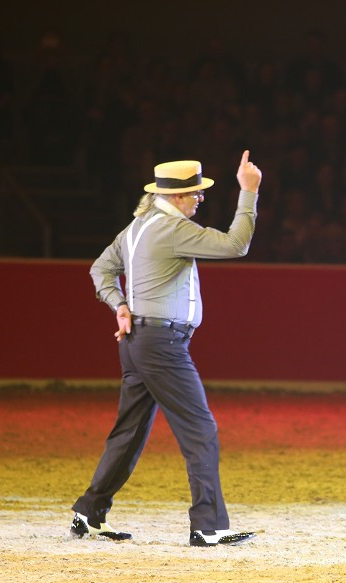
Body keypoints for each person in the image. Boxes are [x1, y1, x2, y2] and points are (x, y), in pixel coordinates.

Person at [71, 152, 263, 547]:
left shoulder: (137, 227)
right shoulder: (173, 230)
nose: (200, 200)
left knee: (129, 431)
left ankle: (89, 512)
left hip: (139, 342)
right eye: (196, 193)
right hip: (162, 345)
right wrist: (249, 193)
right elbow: (236, 244)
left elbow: (100, 269)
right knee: (200, 429)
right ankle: (208, 525)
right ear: (176, 197)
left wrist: (119, 305)